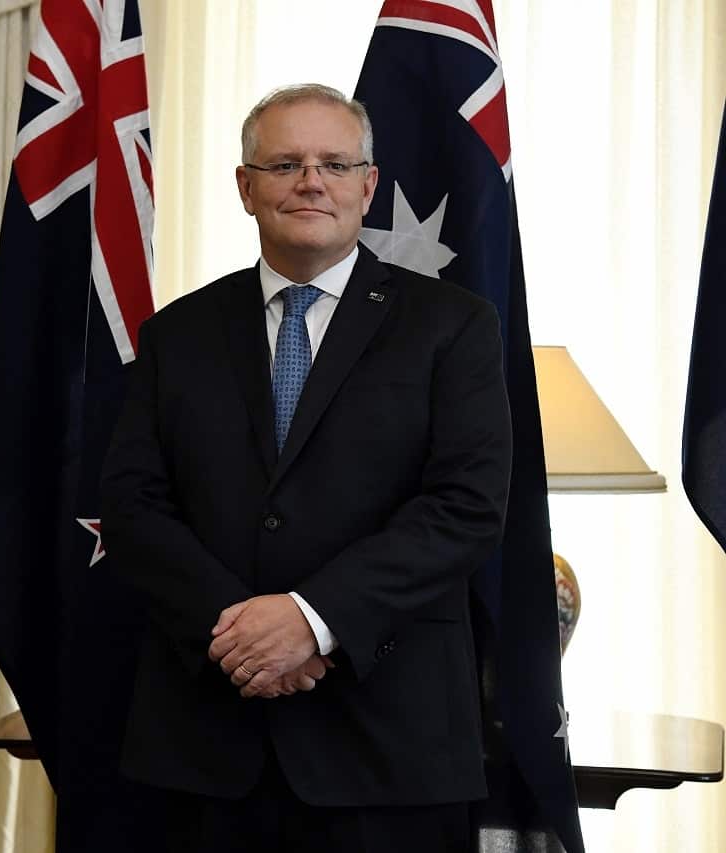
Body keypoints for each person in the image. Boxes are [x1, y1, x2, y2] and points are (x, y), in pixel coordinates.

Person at [100, 84, 513, 852]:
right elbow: (132, 506)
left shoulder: (453, 326)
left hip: (389, 746)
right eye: (285, 163)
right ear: (246, 186)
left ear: (369, 183)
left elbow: (465, 506)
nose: (310, 181)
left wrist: (312, 619)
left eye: (333, 162)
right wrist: (244, 633)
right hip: (207, 748)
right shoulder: (175, 334)